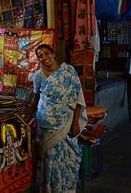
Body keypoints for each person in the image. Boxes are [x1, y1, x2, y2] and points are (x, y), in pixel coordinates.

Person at [28, 44, 87, 193]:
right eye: (40, 56)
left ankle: (66, 189)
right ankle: (50, 189)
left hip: (65, 124)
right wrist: (26, 117)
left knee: (69, 157)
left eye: (47, 53)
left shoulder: (68, 72)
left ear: (53, 54)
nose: (44, 57)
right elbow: (36, 100)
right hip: (45, 127)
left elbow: (78, 99)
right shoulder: (38, 76)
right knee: (49, 161)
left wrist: (75, 123)